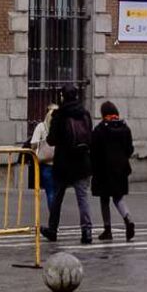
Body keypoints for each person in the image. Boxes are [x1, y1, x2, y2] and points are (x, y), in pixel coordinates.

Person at [46, 84, 95, 244]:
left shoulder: (59, 115)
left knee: (57, 198)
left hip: (64, 164)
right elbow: (90, 136)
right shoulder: (85, 113)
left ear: (62, 97)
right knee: (82, 198)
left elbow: (51, 140)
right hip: (82, 162)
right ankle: (87, 231)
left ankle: (52, 230)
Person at [91, 100, 136, 241]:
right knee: (118, 197)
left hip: (103, 171)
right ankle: (128, 218)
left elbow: (94, 152)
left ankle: (107, 229)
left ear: (103, 114)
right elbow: (130, 149)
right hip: (121, 169)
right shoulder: (125, 128)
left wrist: (93, 168)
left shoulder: (99, 130)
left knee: (104, 199)